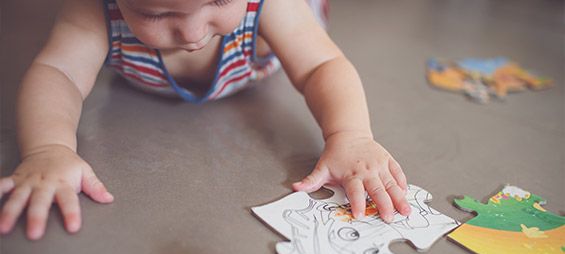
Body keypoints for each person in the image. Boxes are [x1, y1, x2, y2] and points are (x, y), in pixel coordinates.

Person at [0, 0, 411, 240]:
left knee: (303, 27)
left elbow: (321, 64)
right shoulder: (93, 10)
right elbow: (59, 72)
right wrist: (48, 148)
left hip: (273, 39)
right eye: (157, 14)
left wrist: (351, 135)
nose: (193, 32)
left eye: (216, 1)